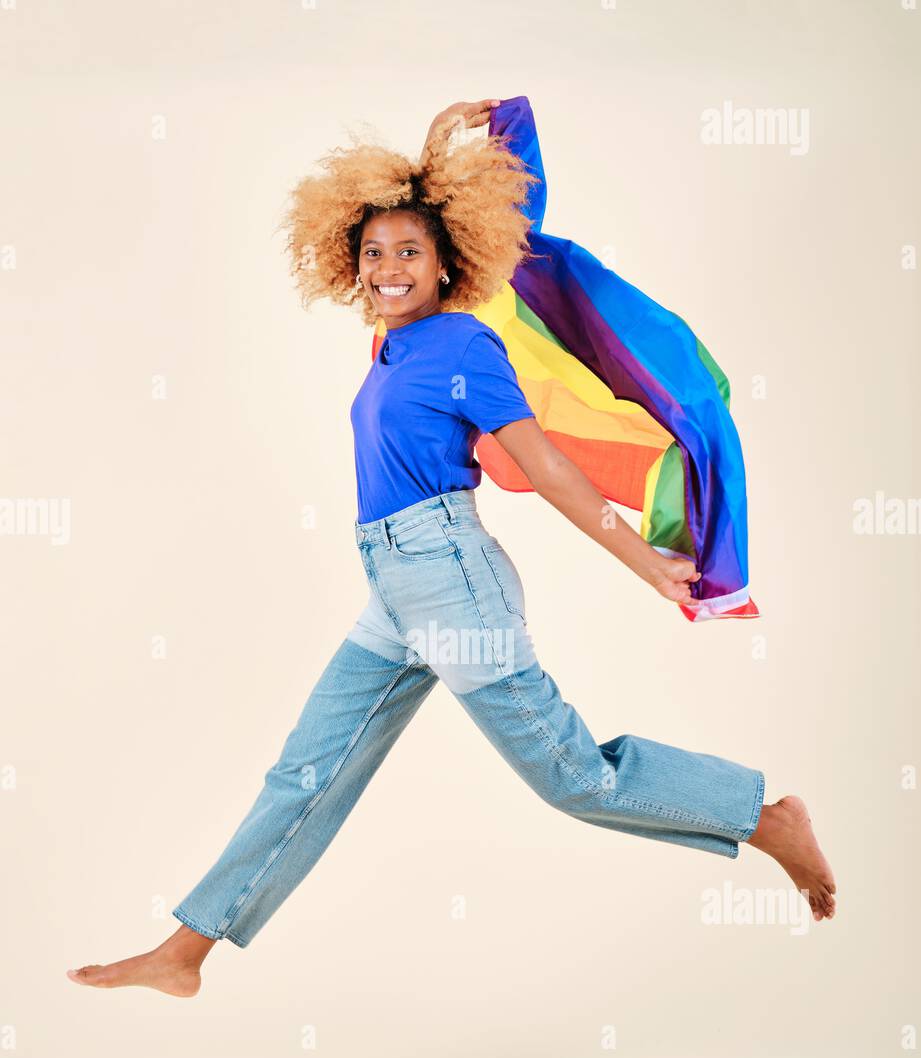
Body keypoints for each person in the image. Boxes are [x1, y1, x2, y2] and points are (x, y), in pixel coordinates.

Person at [67, 99, 835, 998]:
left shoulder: (463, 342)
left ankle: (766, 818)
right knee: (305, 770)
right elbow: (415, 210)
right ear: (350, 264)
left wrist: (643, 563)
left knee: (573, 779)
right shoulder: (393, 346)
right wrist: (433, 147)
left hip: (448, 581)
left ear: (447, 263)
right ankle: (186, 952)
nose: (390, 267)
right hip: (394, 587)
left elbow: (544, 466)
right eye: (375, 252)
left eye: (410, 252)